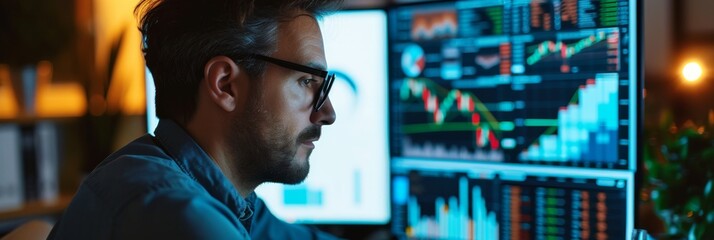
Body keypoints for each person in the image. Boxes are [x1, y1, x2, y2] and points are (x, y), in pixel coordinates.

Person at [48, 0, 342, 239]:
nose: (327, 113)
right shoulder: (176, 216)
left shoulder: (220, 194)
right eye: (306, 81)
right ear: (225, 85)